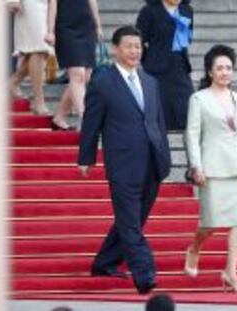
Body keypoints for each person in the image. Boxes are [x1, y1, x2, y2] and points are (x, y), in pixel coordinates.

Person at [77, 26, 171, 295]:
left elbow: (157, 122)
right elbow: (91, 121)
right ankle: (145, 272)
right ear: (116, 49)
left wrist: (165, 156)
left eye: (138, 46)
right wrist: (86, 156)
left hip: (153, 162)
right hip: (122, 164)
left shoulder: (150, 81)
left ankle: (104, 262)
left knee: (134, 219)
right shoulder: (103, 81)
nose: (134, 51)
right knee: (130, 221)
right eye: (129, 46)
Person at [183, 45, 237, 293]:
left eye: (228, 68)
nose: (225, 72)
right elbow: (192, 135)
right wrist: (196, 166)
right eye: (220, 68)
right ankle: (195, 248)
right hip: (211, 167)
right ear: (210, 72)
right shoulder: (199, 99)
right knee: (211, 222)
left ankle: (231, 272)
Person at [136, 0, 194, 130]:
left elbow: (188, 37)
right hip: (157, 69)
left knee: (187, 111)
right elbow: (138, 40)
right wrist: (148, 59)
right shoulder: (149, 11)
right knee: (159, 115)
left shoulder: (187, 10)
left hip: (180, 66)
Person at [45, 0, 102, 130]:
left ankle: (59, 117)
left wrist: (98, 25)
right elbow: (52, 4)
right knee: (77, 75)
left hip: (87, 26)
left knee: (86, 76)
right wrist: (50, 30)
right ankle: (86, 119)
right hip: (65, 27)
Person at [8, 0, 54, 115]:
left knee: (37, 50)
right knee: (39, 49)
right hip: (30, 5)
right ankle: (38, 101)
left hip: (44, 5)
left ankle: (12, 82)